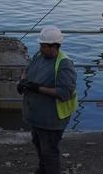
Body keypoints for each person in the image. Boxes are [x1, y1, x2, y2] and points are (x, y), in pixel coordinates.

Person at [17, 26, 77, 174]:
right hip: (37, 117)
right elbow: (28, 68)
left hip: (52, 120)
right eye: (41, 45)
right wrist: (23, 81)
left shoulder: (64, 64)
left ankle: (50, 170)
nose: (41, 48)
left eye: (44, 46)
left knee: (49, 151)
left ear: (54, 46)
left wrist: (37, 88)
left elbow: (64, 92)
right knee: (38, 144)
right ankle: (43, 169)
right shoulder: (39, 55)